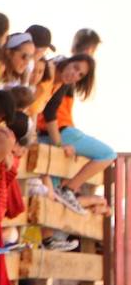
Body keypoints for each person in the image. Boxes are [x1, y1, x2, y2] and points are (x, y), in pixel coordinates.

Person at [40, 54, 113, 214]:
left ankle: (50, 239)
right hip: (58, 132)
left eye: (80, 75)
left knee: (51, 195)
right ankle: (68, 189)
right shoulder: (49, 74)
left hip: (50, 134)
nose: (75, 75)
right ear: (68, 61)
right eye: (75, 68)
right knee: (108, 154)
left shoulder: (63, 82)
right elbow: (49, 112)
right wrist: (59, 144)